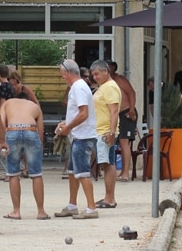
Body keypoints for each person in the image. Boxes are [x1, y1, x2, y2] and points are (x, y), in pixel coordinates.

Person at [53, 58, 98, 219]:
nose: (62, 77)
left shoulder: (78, 88)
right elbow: (79, 113)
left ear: (67, 72)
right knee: (73, 172)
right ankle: (72, 205)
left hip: (82, 136)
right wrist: (67, 123)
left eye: (62, 74)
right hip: (78, 135)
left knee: (82, 173)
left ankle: (91, 208)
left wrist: (68, 127)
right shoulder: (78, 87)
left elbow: (84, 113)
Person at [0, 92, 49, 220]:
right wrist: (39, 145)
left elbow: (0, 121)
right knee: (36, 174)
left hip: (12, 130)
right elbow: (40, 130)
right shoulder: (35, 106)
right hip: (31, 130)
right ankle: (41, 211)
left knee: (13, 173)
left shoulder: (7, 103)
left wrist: (2, 141)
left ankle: (16, 211)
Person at [91, 60, 121, 209]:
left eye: (97, 73)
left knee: (108, 164)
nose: (94, 77)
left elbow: (114, 111)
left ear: (105, 71)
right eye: (93, 74)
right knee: (106, 163)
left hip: (105, 132)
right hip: (100, 130)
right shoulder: (102, 87)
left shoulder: (110, 87)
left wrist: (111, 132)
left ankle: (110, 198)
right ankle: (107, 196)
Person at [109, 61, 137, 183]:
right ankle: (120, 172)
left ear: (113, 68)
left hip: (126, 112)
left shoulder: (119, 79)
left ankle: (125, 173)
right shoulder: (107, 82)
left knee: (124, 142)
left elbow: (132, 92)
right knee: (118, 141)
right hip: (116, 114)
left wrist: (131, 110)